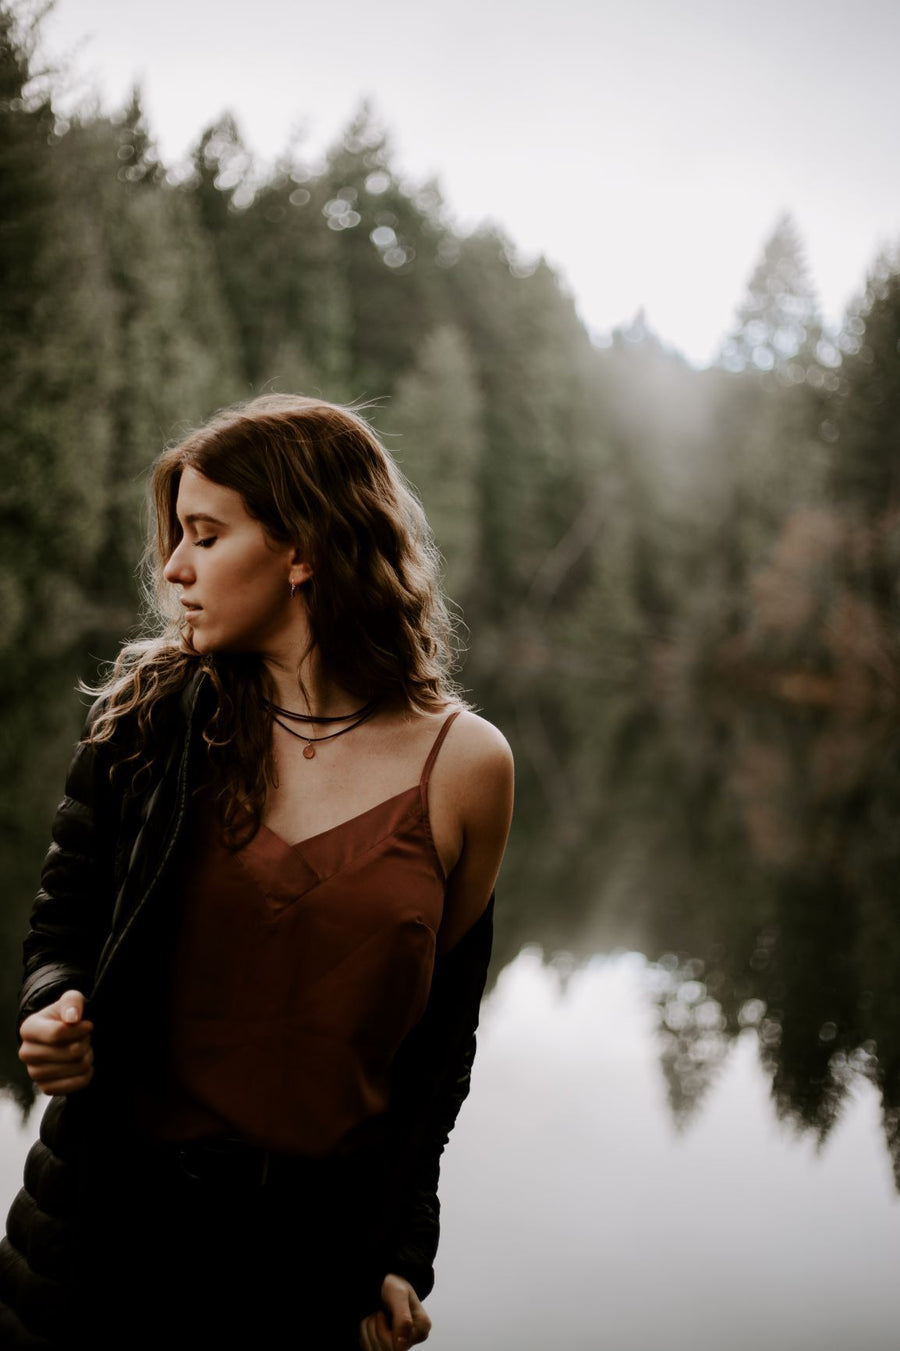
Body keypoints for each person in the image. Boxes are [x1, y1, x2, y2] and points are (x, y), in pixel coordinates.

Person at [0, 394, 514, 1350]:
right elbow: (61, 925)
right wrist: (53, 1005)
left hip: (314, 1272)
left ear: (302, 548)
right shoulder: (149, 721)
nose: (174, 567)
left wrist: (402, 1250)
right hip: (106, 1244)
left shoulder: (467, 767)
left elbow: (438, 1047)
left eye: (205, 533)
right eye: (176, 536)